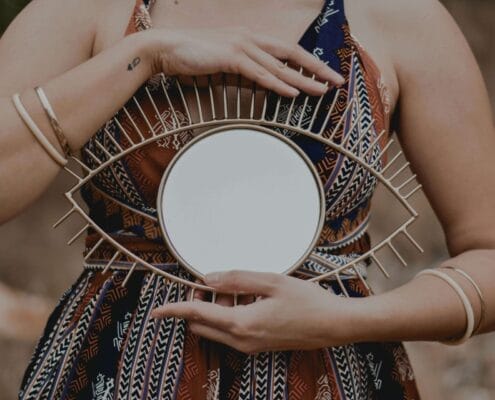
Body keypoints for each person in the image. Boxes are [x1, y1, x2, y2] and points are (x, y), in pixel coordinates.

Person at [1, 0, 494, 398]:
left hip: (336, 375)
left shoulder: (401, 17)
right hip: (115, 369)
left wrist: (347, 321)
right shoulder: (87, 10)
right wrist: (146, 55)